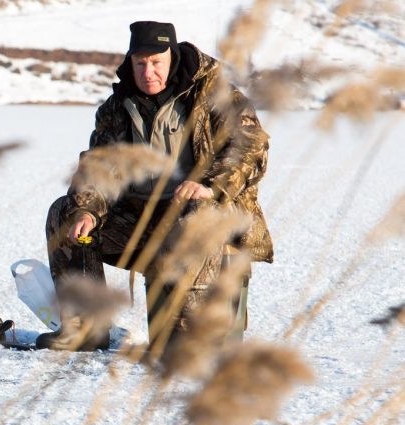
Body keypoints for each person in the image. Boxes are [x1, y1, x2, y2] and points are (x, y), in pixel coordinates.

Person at [37, 20, 273, 352]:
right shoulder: (117, 108)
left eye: (156, 62)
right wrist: (87, 210)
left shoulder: (216, 96)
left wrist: (211, 186)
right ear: (130, 62)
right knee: (65, 212)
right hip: (141, 224)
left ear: (172, 56)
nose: (148, 72)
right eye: (140, 63)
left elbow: (252, 148)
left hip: (203, 221)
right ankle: (85, 327)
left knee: (175, 347)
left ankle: (185, 336)